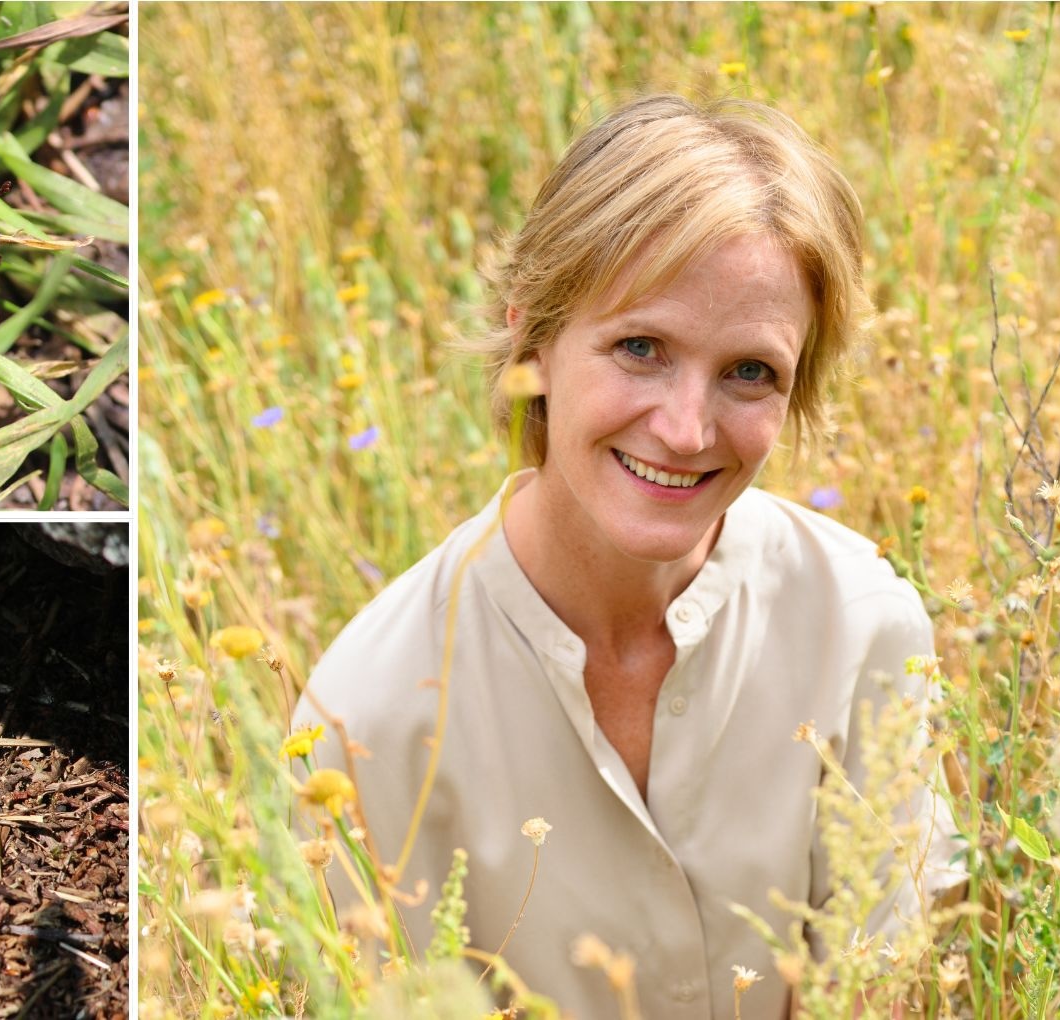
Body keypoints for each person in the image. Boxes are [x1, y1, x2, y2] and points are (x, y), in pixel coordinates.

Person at [290, 94, 965, 1019]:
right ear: (534, 342)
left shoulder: (862, 627)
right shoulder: (366, 718)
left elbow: (889, 993)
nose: (687, 429)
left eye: (749, 371)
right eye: (641, 348)